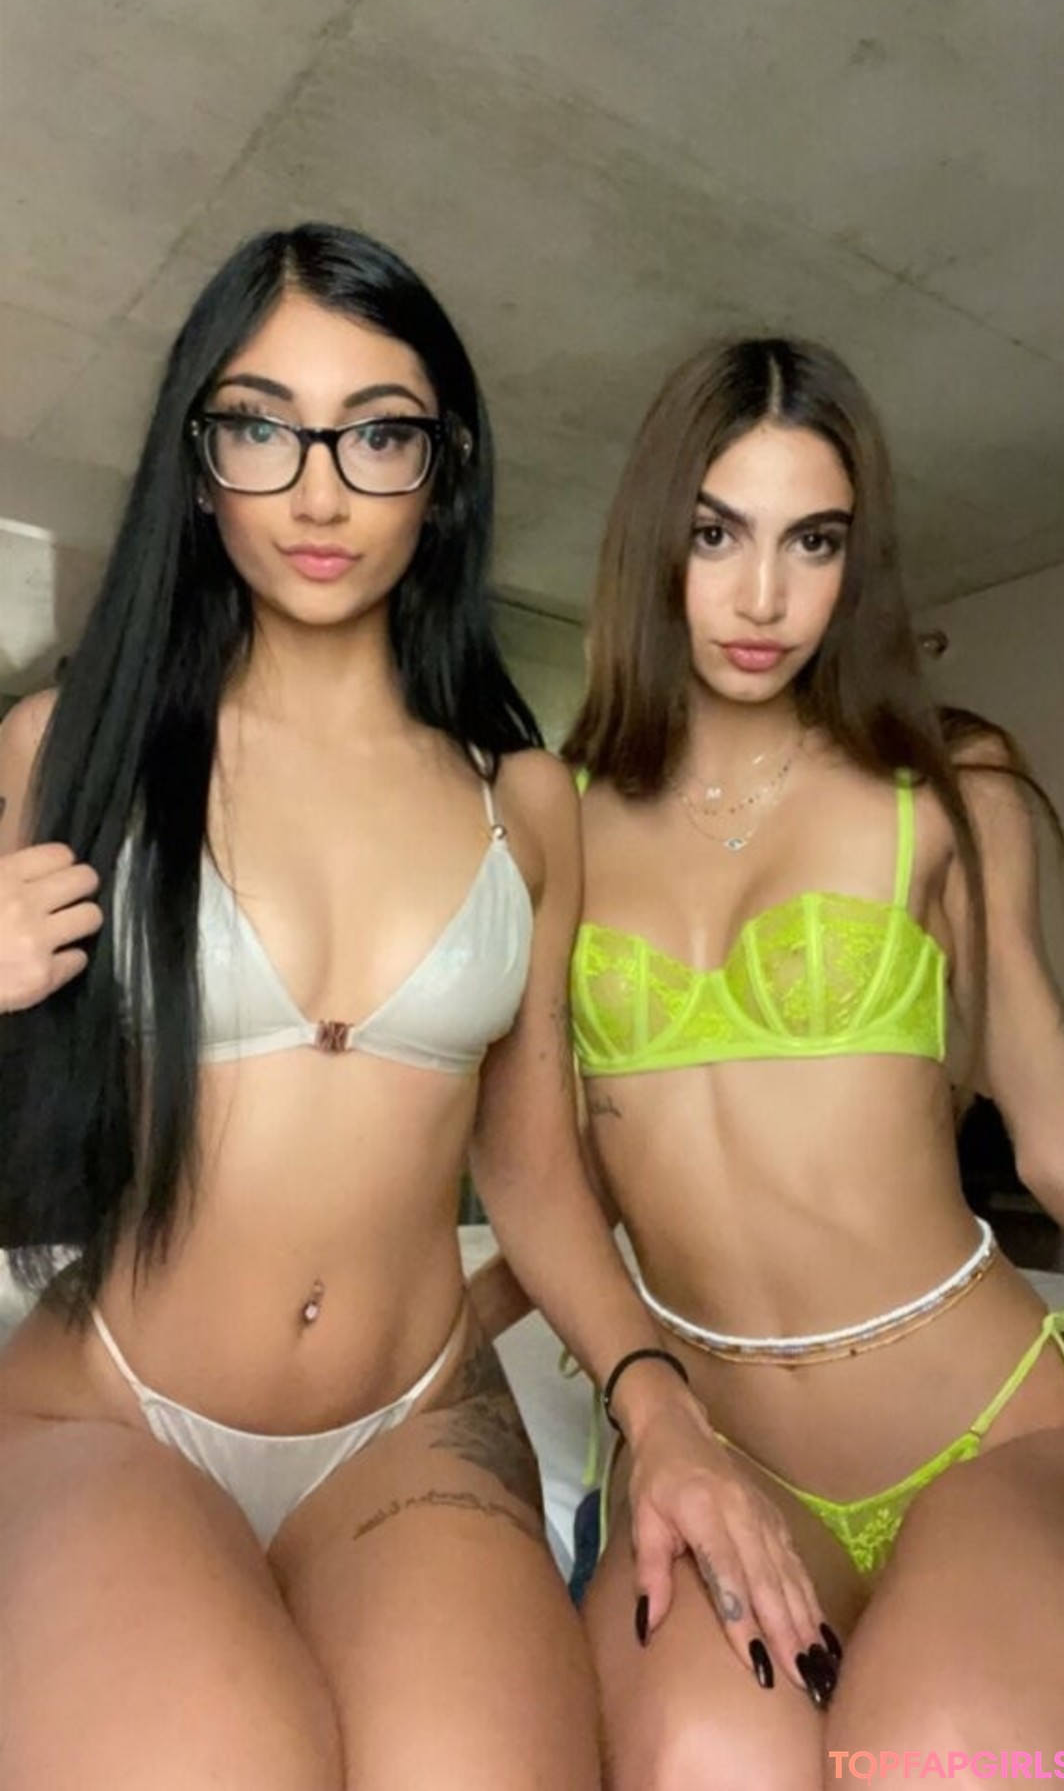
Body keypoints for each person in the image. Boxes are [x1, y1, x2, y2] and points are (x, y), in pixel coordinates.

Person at [0, 228, 824, 1790]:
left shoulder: (524, 800)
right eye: (262, 426)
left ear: (442, 473)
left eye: (377, 435)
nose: (318, 492)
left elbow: (534, 1168)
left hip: (409, 1432)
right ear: (198, 465)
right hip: (111, 1408)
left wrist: (664, 1411)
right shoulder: (67, 748)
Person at [562, 337, 1064, 1787]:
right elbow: (557, 1173)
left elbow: (1052, 1131)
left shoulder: (947, 793)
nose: (763, 597)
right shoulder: (556, 819)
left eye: (815, 541)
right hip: (723, 1460)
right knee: (709, 1765)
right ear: (654, 542)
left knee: (938, 1759)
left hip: (985, 1432)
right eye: (717, 533)